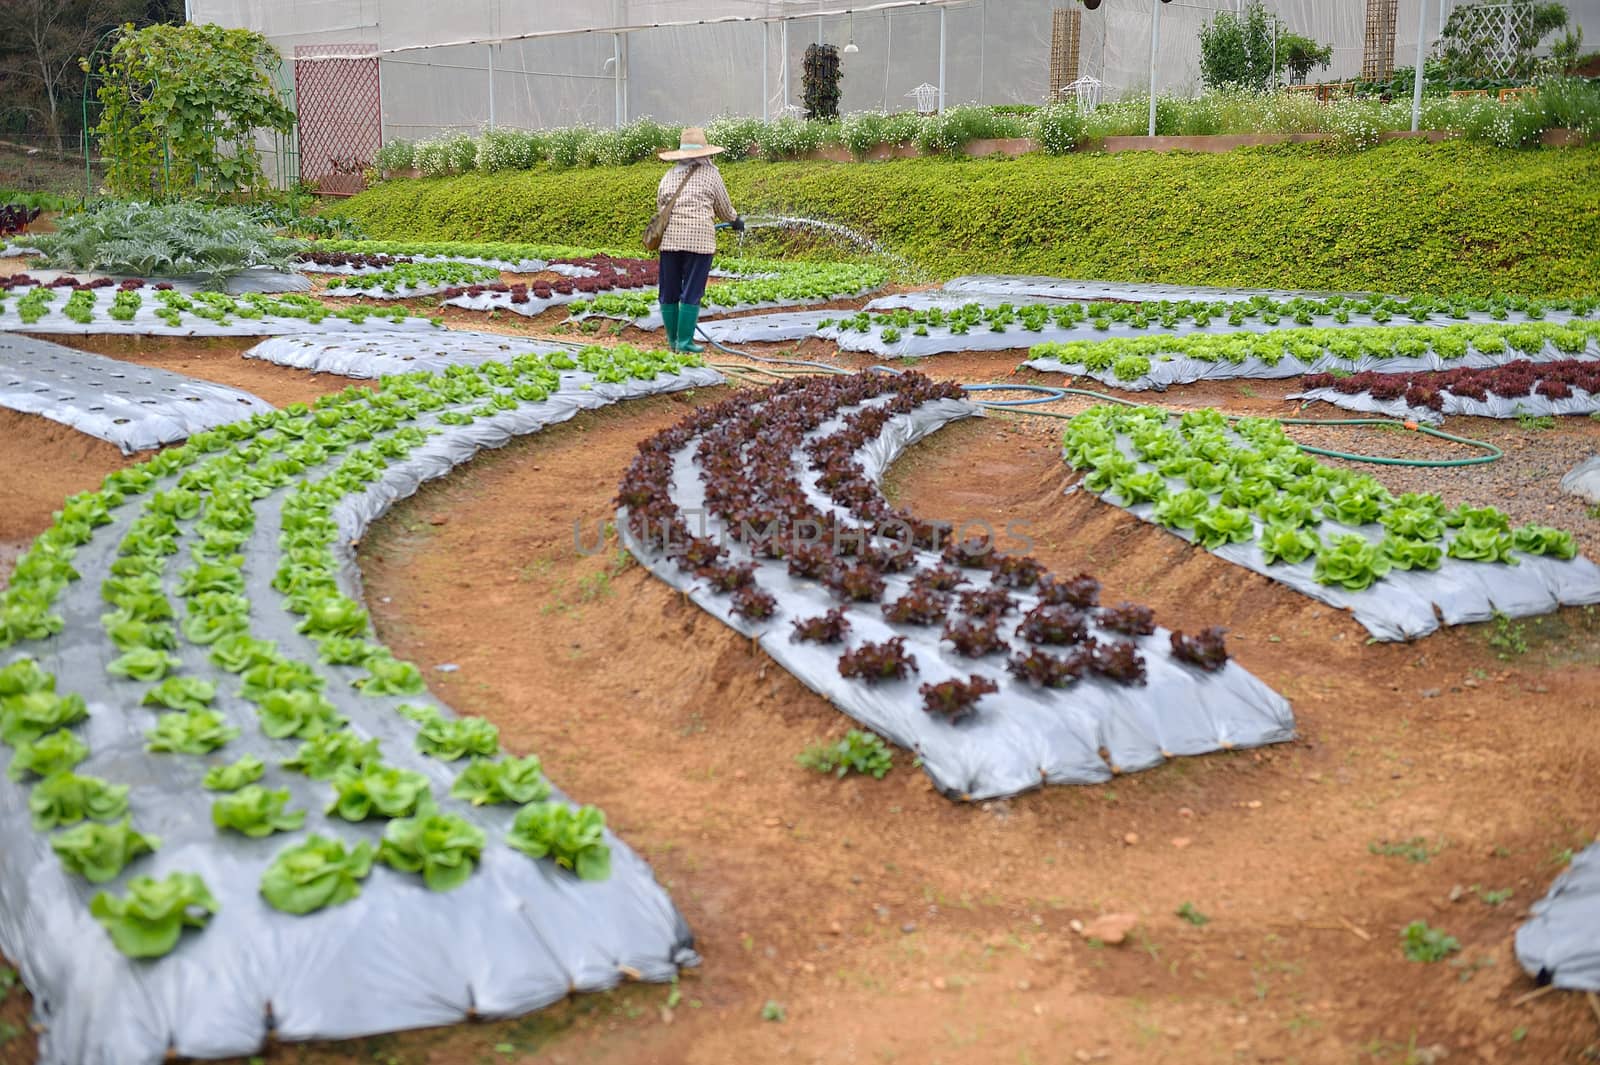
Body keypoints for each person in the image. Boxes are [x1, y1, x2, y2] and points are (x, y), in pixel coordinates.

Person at [655, 126, 743, 354]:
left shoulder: (669, 176)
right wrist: (735, 220)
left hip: (670, 241)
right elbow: (723, 207)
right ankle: (685, 343)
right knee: (692, 290)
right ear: (705, 152)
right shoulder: (711, 174)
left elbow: (661, 207)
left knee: (669, 290)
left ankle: (673, 342)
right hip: (699, 241)